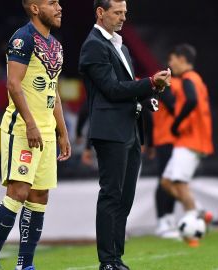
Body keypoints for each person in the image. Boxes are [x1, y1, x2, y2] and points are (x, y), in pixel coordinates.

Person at [0, 0, 70, 269]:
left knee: (40, 196)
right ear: (34, 8)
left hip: (47, 132)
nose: (59, 7)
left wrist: (62, 131)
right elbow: (13, 84)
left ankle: (25, 264)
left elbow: (53, 92)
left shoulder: (56, 45)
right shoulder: (22, 38)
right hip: (22, 129)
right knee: (18, 192)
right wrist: (30, 124)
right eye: (51, 3)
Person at [78, 0, 170, 268]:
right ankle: (107, 261)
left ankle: (116, 258)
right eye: (117, 12)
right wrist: (150, 82)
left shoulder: (122, 47)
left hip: (130, 128)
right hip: (110, 130)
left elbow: (127, 90)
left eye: (125, 13)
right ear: (100, 12)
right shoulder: (93, 45)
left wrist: (152, 91)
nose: (123, 18)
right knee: (111, 194)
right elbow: (113, 89)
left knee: (125, 197)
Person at [160, 44, 213, 246]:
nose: (170, 64)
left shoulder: (189, 79)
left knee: (180, 184)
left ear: (182, 59)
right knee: (166, 182)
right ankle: (198, 213)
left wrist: (176, 122)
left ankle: (193, 229)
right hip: (189, 139)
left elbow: (191, 100)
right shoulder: (195, 79)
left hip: (192, 138)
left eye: (172, 59)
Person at [152, 79, 179, 238]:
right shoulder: (167, 87)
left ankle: (169, 217)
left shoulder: (178, 86)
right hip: (164, 140)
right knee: (164, 179)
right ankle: (162, 220)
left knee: (173, 180)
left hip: (176, 140)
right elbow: (174, 107)